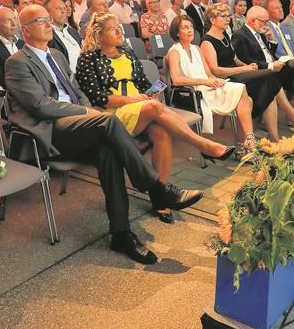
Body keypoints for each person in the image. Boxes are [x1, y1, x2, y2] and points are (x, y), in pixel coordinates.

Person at [4, 5, 204, 264]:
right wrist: (87, 113)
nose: (48, 23)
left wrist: (88, 109)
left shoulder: (56, 55)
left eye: (48, 19)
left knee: (109, 152)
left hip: (77, 124)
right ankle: (156, 188)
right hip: (50, 130)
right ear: (25, 29)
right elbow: (40, 106)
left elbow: (77, 90)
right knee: (107, 122)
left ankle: (121, 234)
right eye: (40, 20)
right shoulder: (17, 62)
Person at [76, 12, 233, 223]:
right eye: (112, 29)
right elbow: (98, 97)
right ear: (99, 35)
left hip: (140, 107)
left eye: (119, 27)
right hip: (111, 115)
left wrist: (150, 92)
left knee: (161, 132)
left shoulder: (127, 52)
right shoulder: (88, 58)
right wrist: (133, 100)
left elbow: (141, 83)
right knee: (154, 107)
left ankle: (160, 199)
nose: (119, 32)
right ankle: (204, 145)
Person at [165, 15, 255, 153]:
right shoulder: (174, 52)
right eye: (185, 28)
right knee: (245, 98)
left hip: (209, 86)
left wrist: (215, 80)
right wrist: (206, 82)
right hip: (193, 93)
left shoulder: (197, 48)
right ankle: (245, 144)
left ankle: (245, 143)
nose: (189, 30)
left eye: (191, 27)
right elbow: (177, 80)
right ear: (177, 32)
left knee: (247, 98)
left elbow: (209, 73)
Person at [199, 2, 286, 142]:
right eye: (223, 16)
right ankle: (258, 119)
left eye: (228, 16)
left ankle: (272, 134)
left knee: (269, 82)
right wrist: (244, 69)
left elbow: (235, 59)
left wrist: (248, 66)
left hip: (237, 73)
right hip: (225, 80)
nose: (227, 19)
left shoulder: (224, 36)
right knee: (269, 77)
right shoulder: (207, 42)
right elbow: (216, 70)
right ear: (212, 20)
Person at [234, 6, 294, 109]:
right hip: (263, 71)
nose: (266, 24)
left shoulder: (260, 31)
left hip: (275, 66)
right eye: (263, 21)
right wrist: (270, 65)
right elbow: (245, 60)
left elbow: (268, 54)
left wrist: (272, 40)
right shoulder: (240, 35)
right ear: (252, 21)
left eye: (267, 21)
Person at [46, 0, 82, 72]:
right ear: (48, 13)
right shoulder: (47, 35)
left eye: (64, 8)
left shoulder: (73, 31)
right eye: (58, 8)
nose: (63, 11)